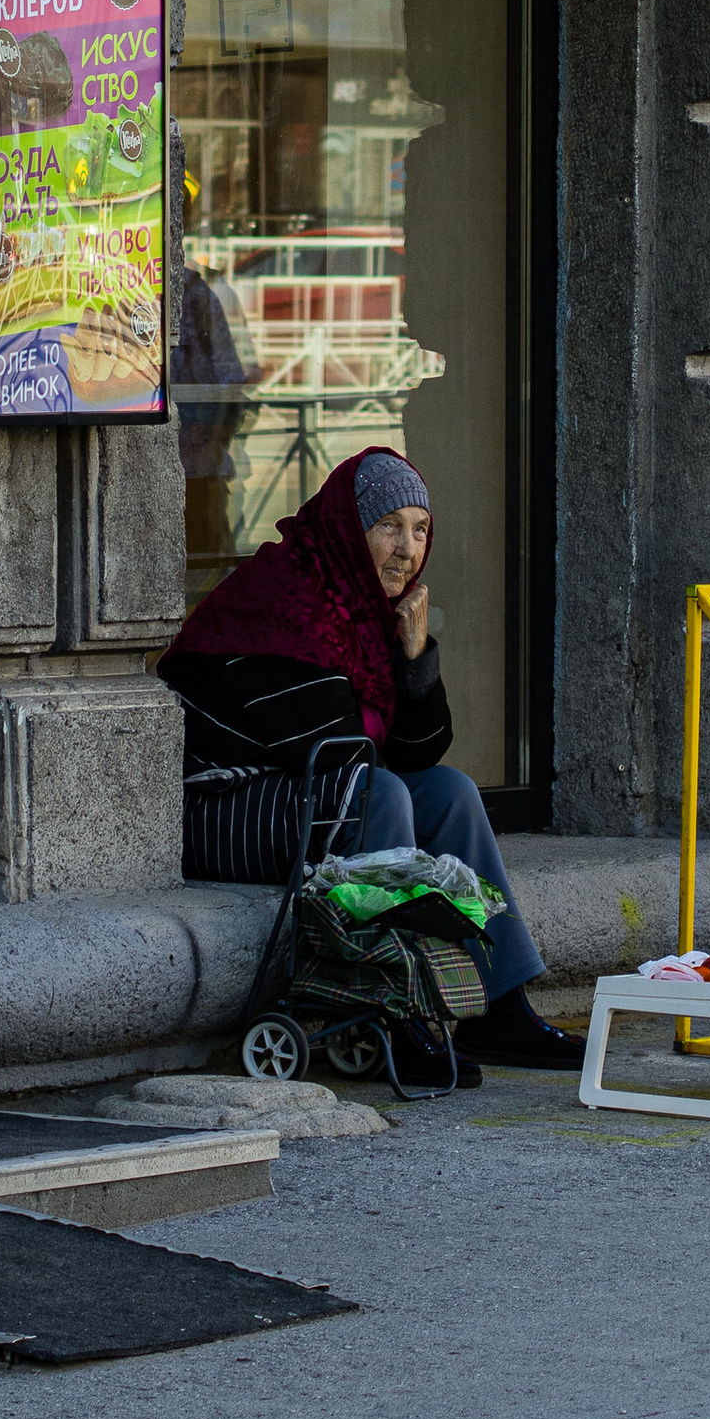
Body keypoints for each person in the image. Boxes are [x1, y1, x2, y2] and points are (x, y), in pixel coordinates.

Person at [161, 448, 581, 1072]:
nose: (407, 549)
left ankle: (499, 1004)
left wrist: (415, 661)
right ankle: (396, 1012)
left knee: (450, 791)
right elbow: (333, 747)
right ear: (346, 530)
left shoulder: (365, 611)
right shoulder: (285, 599)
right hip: (225, 808)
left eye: (419, 530)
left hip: (306, 791)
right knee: (380, 793)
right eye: (388, 527)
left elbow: (417, 751)